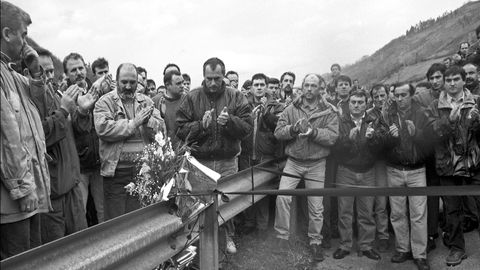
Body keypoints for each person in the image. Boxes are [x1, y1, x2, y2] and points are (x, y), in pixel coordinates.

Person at [176, 57, 252, 255]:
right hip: (201, 162)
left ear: (223, 76)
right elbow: (179, 130)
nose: (212, 83)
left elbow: (247, 128)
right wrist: (200, 126)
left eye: (217, 78)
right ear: (203, 76)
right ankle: (199, 241)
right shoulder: (192, 97)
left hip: (228, 161)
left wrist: (230, 122)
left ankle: (228, 236)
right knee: (199, 205)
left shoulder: (236, 96)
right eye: (209, 78)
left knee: (228, 202)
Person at [0, 1, 52, 258]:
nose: (26, 42)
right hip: (15, 199)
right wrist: (22, 187)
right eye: (23, 34)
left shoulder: (10, 74)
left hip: (26, 195)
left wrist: (34, 70)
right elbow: (8, 137)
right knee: (21, 262)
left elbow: (40, 103)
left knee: (35, 259)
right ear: (7, 33)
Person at [273, 73, 339, 262]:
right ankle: (281, 238)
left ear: (320, 88)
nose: (309, 89)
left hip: (317, 163)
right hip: (293, 161)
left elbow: (333, 136)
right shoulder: (292, 107)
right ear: (302, 87)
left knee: (316, 205)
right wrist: (293, 129)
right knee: (283, 197)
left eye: (313, 86)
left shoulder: (329, 110)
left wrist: (313, 133)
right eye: (307, 85)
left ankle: (315, 242)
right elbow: (278, 132)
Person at [94, 63, 165, 220]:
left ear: (137, 82)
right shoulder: (104, 102)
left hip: (143, 173)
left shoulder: (147, 102)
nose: (128, 86)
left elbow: (162, 130)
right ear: (117, 81)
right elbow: (103, 128)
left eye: (132, 82)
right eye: (124, 82)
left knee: (140, 221)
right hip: (116, 175)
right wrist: (134, 123)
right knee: (116, 224)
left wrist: (148, 122)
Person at [425, 65, 480, 267]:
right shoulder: (434, 106)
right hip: (447, 165)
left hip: (474, 163)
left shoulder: (477, 102)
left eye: (456, 79)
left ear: (464, 80)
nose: (452, 83)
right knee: (452, 210)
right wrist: (449, 120)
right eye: (448, 80)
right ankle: (457, 249)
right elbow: (431, 134)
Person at [332, 89, 385, 261]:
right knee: (345, 212)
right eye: (353, 102)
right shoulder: (341, 121)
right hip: (345, 171)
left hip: (368, 172)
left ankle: (366, 246)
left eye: (360, 102)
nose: (356, 105)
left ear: (366, 103)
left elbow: (380, 149)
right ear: (349, 103)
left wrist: (373, 138)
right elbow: (335, 150)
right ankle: (345, 245)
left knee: (366, 212)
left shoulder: (374, 121)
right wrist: (347, 139)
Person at [383, 83, 431, 270]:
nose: (400, 98)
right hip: (394, 169)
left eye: (404, 94)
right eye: (397, 95)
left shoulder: (422, 114)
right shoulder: (388, 115)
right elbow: (379, 145)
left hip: (417, 170)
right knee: (397, 213)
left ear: (412, 95)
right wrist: (390, 137)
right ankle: (402, 249)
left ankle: (420, 254)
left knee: (418, 214)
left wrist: (416, 134)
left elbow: (431, 143)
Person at [239, 73, 283, 236]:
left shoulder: (276, 106)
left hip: (266, 156)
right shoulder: (244, 105)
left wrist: (266, 114)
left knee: (262, 192)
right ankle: (249, 222)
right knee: (248, 190)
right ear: (251, 88)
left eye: (261, 85)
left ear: (266, 87)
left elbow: (279, 127)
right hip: (247, 154)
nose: (258, 88)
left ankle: (262, 226)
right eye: (255, 85)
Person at [366, 84, 390, 252]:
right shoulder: (367, 115)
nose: (380, 99)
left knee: (384, 201)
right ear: (372, 99)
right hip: (372, 162)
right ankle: (372, 234)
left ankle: (384, 235)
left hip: (389, 161)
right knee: (370, 201)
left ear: (387, 95)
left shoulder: (394, 112)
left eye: (383, 96)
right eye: (376, 97)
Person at [153, 70, 184, 143]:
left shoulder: (188, 100)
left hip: (184, 150)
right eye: (178, 83)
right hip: (163, 150)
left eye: (182, 82)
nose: (182, 86)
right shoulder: (156, 101)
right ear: (167, 85)